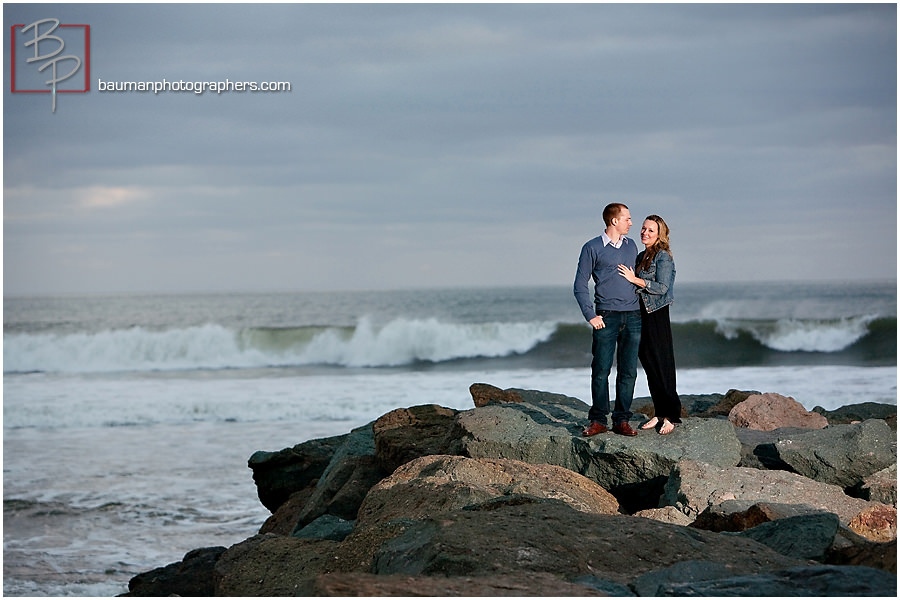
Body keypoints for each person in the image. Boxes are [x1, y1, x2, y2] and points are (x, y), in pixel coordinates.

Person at [573, 203, 642, 437]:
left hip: (633, 316)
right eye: (627, 219)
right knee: (601, 370)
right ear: (614, 221)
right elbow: (580, 284)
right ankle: (599, 420)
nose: (631, 223)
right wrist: (590, 315)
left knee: (628, 371)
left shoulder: (631, 246)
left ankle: (622, 420)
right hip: (606, 316)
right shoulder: (592, 247)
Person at [618, 215, 682, 435]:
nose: (644, 233)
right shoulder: (641, 255)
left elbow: (662, 287)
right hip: (640, 314)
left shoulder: (663, 257)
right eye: (644, 229)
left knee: (662, 363)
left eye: (650, 231)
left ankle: (672, 415)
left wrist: (635, 279)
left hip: (656, 313)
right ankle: (659, 411)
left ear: (659, 235)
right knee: (649, 364)